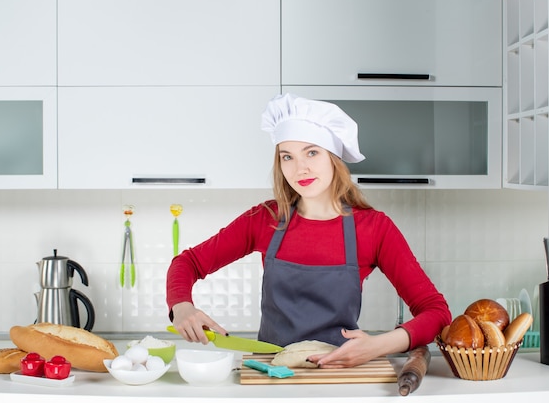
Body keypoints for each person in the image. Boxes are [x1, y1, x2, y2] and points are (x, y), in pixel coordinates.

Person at [166, 93, 451, 368]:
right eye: (287, 157)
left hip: (340, 373)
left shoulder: (374, 228)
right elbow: (187, 262)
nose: (300, 168)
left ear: (333, 158)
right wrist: (181, 306)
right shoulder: (264, 218)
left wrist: (379, 345)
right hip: (271, 373)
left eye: (311, 153)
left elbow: (436, 312)